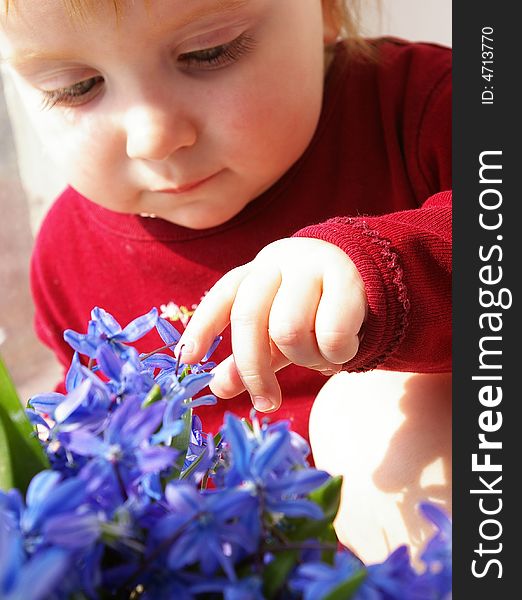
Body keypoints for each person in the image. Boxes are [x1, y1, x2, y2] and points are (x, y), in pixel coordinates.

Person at [0, 0, 451, 443]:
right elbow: (92, 411)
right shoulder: (68, 252)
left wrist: (380, 273)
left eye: (208, 52)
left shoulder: (428, 111)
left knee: (375, 413)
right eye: (76, 87)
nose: (153, 139)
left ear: (327, 9)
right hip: (212, 517)